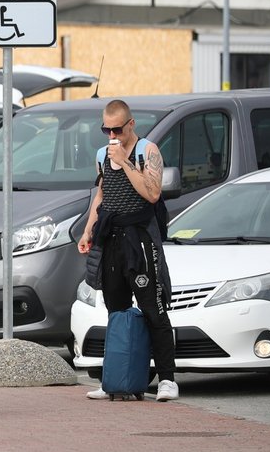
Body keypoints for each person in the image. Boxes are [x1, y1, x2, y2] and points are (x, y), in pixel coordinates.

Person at [78, 99, 177, 402]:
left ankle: (167, 380)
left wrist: (125, 160)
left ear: (131, 125)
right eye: (106, 129)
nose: (111, 135)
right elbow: (102, 195)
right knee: (115, 310)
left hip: (141, 236)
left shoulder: (147, 151)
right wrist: (88, 231)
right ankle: (116, 377)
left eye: (117, 129)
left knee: (153, 308)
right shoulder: (101, 155)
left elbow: (152, 193)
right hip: (113, 236)